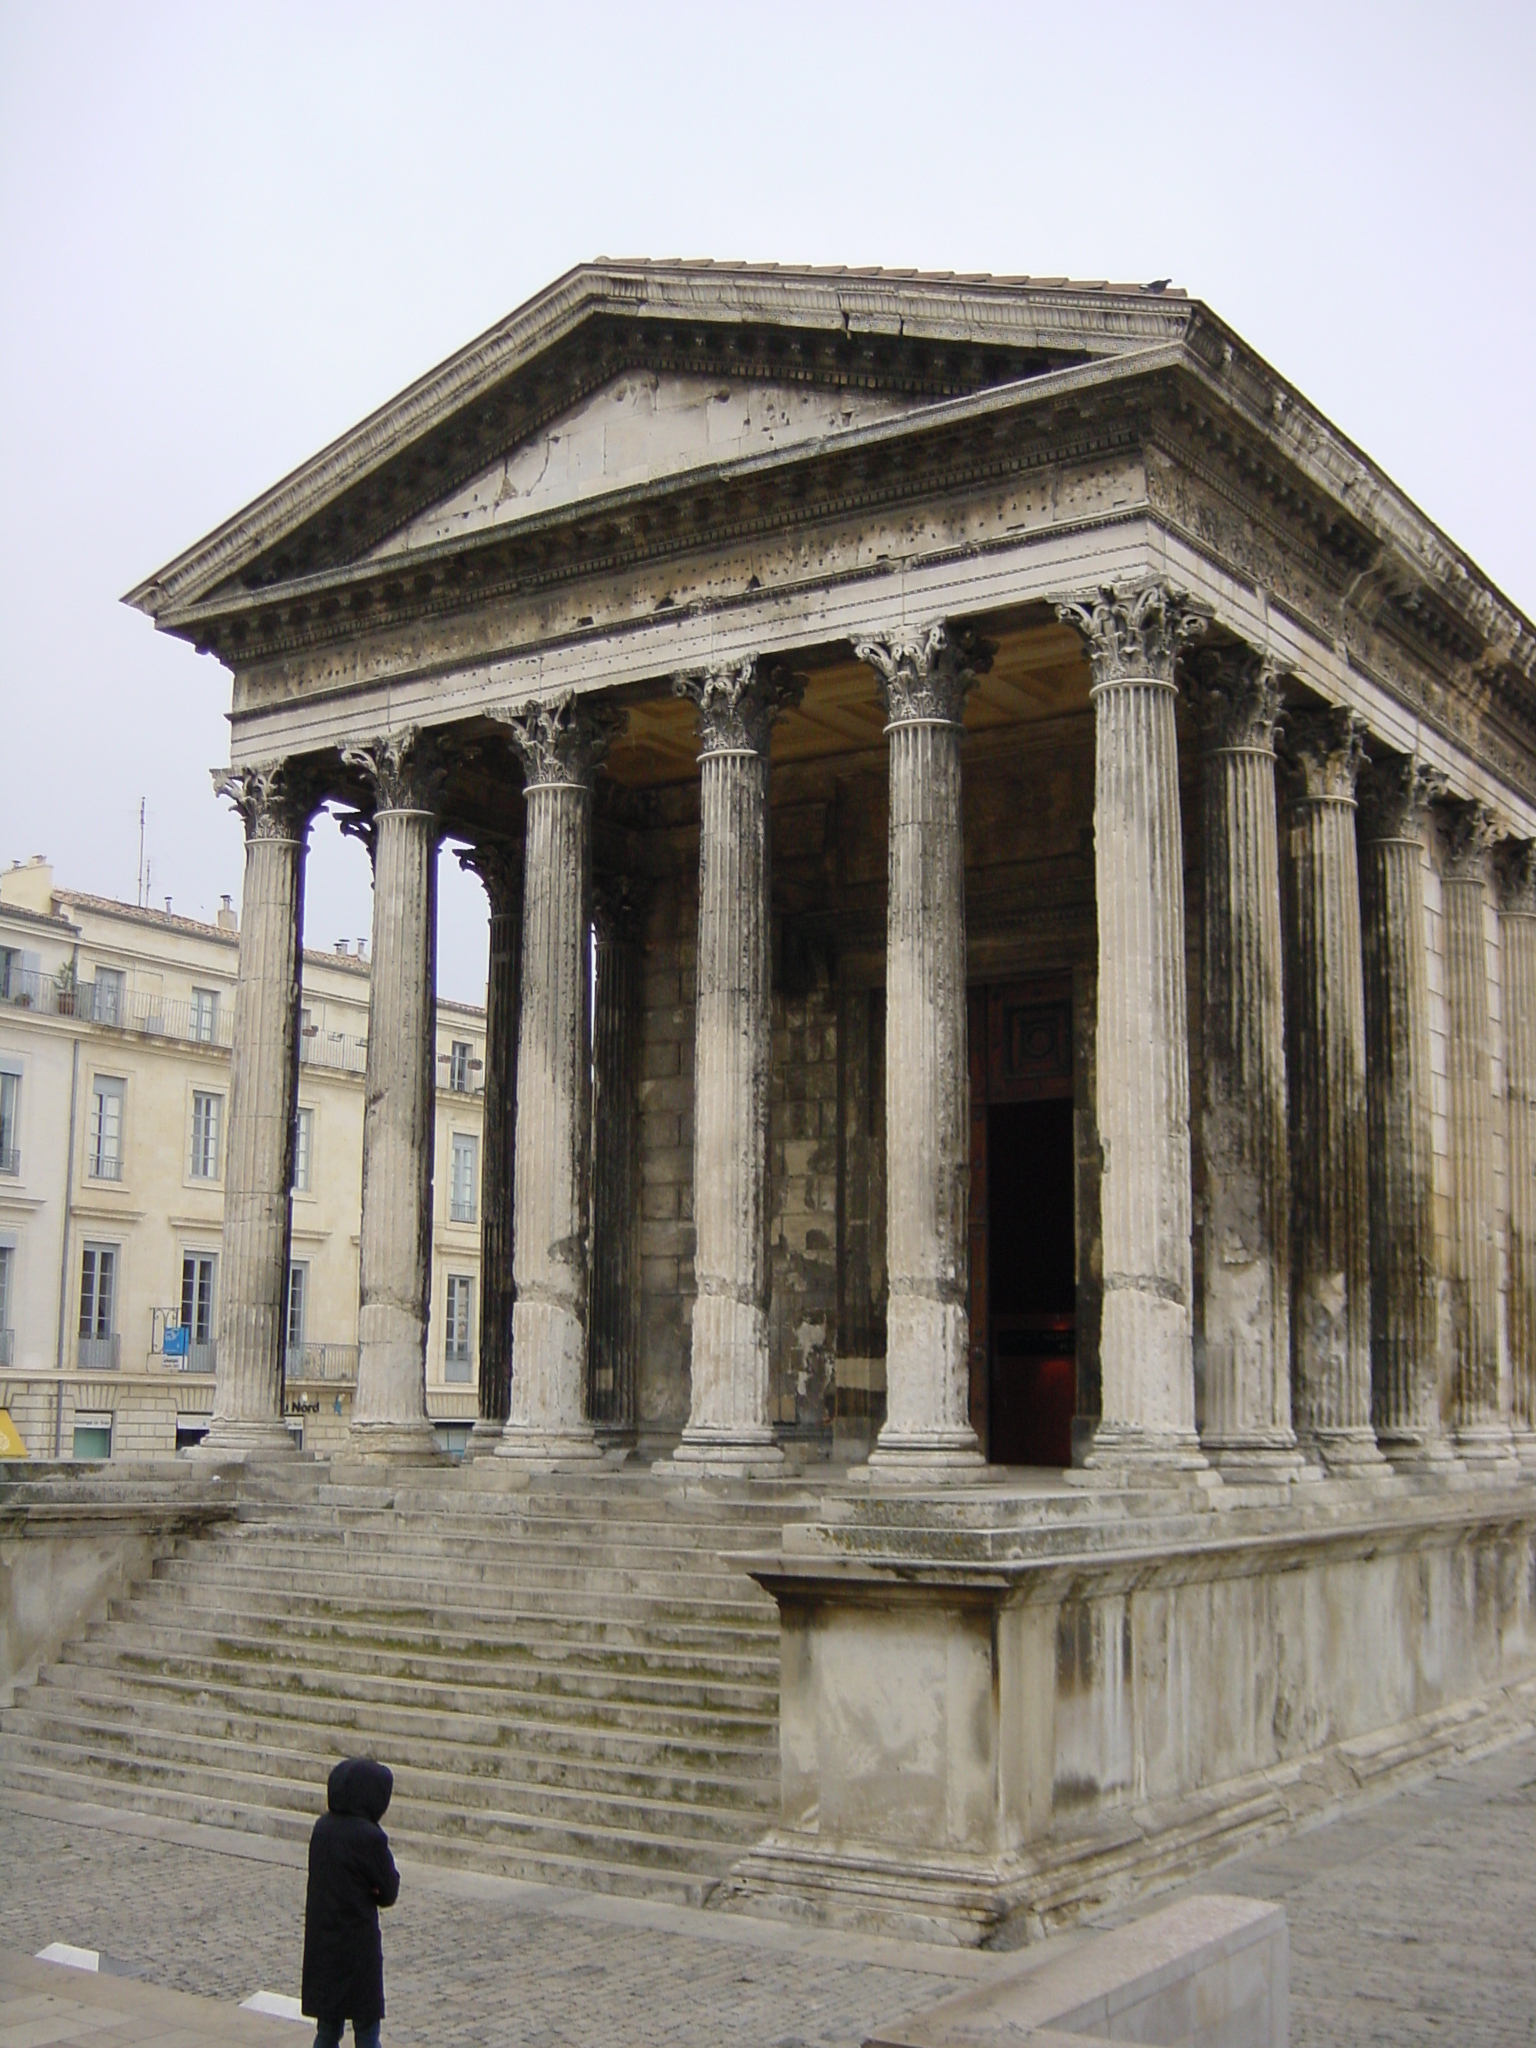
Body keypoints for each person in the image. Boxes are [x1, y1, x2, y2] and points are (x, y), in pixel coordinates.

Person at [301, 1758, 401, 2048]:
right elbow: (389, 1890)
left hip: (324, 1944)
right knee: (367, 2030)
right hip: (358, 1949)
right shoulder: (370, 1837)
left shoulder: (322, 1830)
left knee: (328, 2030)